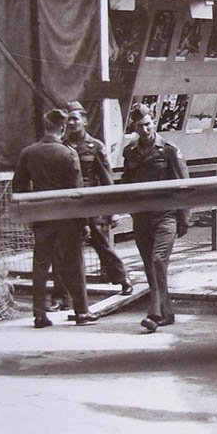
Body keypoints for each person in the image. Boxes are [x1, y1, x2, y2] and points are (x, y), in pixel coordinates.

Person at [13, 109, 99, 327]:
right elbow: (77, 192)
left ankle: (40, 314)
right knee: (74, 263)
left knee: (41, 265)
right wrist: (84, 222)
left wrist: (32, 208)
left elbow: (19, 186)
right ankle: (81, 312)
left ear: (45, 125)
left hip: (42, 216)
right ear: (62, 128)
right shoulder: (68, 154)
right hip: (66, 217)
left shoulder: (28, 153)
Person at [50, 102, 133, 310]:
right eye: (68, 119)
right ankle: (62, 297)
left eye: (76, 118)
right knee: (66, 250)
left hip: (92, 204)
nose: (71, 122)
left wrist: (112, 211)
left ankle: (123, 280)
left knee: (102, 245)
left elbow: (106, 179)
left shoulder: (95, 146)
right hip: (70, 204)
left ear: (85, 121)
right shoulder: (61, 146)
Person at [122, 104, 191, 332]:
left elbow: (184, 185)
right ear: (134, 127)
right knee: (149, 265)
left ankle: (154, 312)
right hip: (142, 217)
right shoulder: (130, 152)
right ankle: (167, 312)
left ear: (154, 122)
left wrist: (184, 219)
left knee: (158, 259)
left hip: (166, 215)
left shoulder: (169, 150)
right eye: (140, 126)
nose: (145, 129)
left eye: (148, 124)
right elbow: (127, 184)